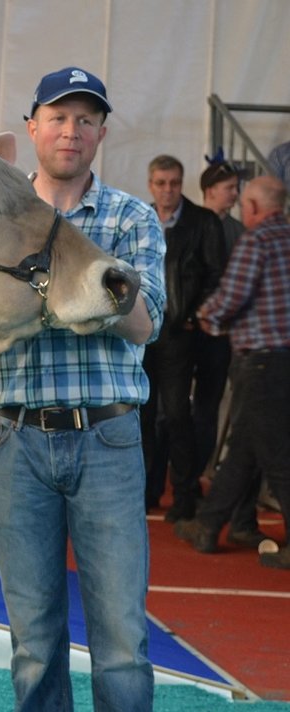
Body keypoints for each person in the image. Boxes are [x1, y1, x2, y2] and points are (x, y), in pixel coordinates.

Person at [0, 67, 180, 712]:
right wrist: (75, 294)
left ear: (101, 133)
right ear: (32, 126)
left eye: (87, 118)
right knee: (34, 639)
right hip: (12, 440)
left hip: (105, 441)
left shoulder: (130, 216)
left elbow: (142, 325)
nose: (72, 129)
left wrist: (94, 292)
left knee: (123, 637)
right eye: (59, 115)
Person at [174, 176, 290, 569]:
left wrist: (204, 316)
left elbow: (232, 296)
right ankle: (208, 526)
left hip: (260, 360)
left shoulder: (255, 241)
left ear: (255, 207)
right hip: (284, 361)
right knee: (244, 446)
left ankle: (210, 526)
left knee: (275, 454)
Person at [140, 155, 228, 520]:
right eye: (161, 183)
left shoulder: (203, 222)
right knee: (143, 416)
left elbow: (215, 274)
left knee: (177, 416)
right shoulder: (140, 218)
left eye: (174, 182)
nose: (168, 190)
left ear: (182, 182)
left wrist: (193, 315)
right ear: (151, 185)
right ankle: (146, 491)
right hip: (143, 333)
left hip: (179, 334)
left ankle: (185, 495)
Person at [199, 160, 267, 548]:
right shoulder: (252, 235)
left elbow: (233, 292)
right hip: (221, 339)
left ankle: (218, 519)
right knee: (237, 432)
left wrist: (207, 315)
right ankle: (217, 515)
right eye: (229, 188)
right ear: (211, 190)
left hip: (239, 342)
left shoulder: (248, 235)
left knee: (243, 432)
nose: (235, 196)